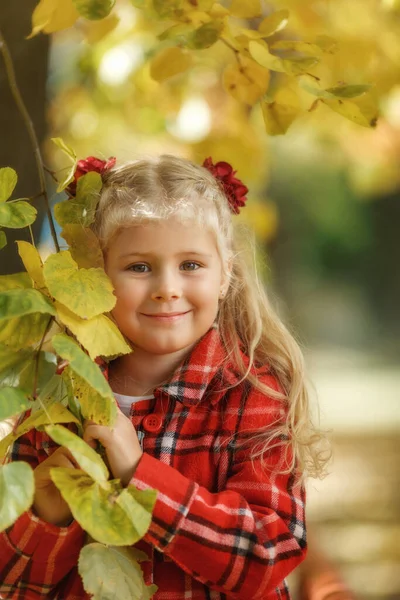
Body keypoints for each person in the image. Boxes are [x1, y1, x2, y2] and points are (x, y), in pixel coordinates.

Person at [0, 154, 325, 599]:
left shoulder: (252, 393)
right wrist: (47, 514)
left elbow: (266, 557)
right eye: (139, 267)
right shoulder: (53, 393)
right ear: (96, 274)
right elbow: (16, 580)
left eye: (190, 264)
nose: (166, 287)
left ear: (226, 273)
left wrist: (139, 473)